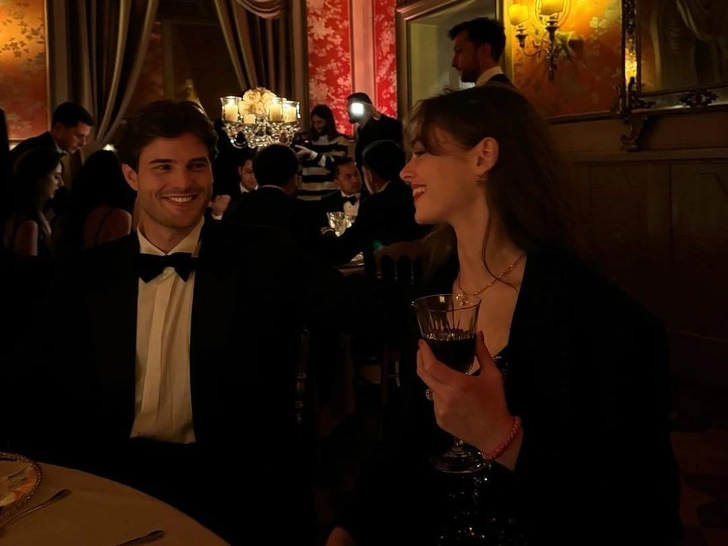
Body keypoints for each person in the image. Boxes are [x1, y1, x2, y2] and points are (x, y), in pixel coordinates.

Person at [325, 84, 682, 545]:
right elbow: (402, 442)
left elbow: (644, 513)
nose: (407, 171)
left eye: (421, 152)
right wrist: (348, 527)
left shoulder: (601, 317)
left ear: (483, 157)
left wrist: (501, 437)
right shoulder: (435, 296)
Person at [37, 100, 382, 546]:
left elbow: (364, 309)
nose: (183, 182)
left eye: (196, 166)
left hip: (241, 488)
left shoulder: (265, 256)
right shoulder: (84, 277)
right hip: (119, 485)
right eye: (163, 167)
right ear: (131, 176)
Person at [2, 147, 63, 257]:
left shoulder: (36, 216)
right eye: (56, 177)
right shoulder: (30, 224)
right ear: (39, 178)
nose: (61, 183)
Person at [295, 104, 354, 201]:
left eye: (320, 122)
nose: (316, 126)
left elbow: (334, 164)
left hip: (329, 194)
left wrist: (311, 154)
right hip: (306, 194)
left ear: (328, 122)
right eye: (314, 122)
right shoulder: (305, 140)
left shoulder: (340, 140)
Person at [346, 92, 403, 169]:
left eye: (351, 107)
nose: (347, 111)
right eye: (347, 107)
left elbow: (398, 129)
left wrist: (375, 113)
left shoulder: (381, 127)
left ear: (365, 106)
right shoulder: (360, 131)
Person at [449, 17, 512, 86]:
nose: (453, 63)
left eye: (459, 51)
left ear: (484, 50)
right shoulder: (508, 89)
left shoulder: (489, 92)